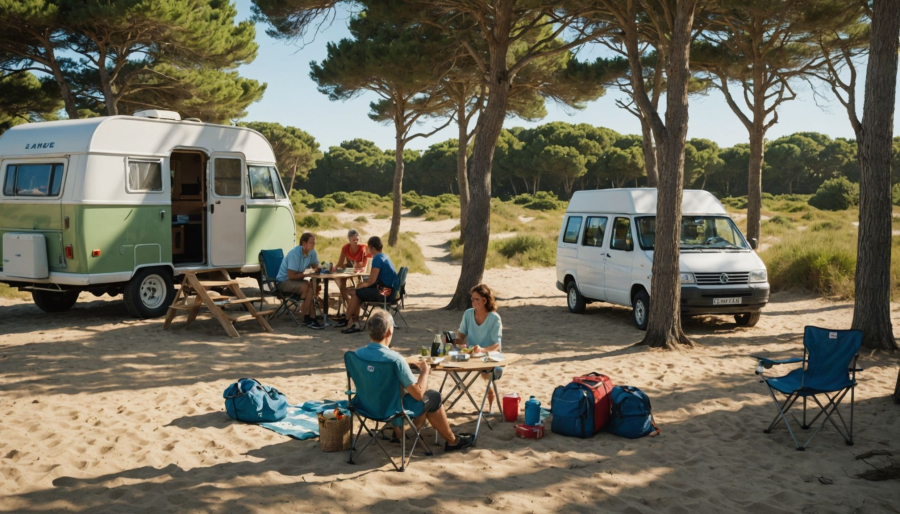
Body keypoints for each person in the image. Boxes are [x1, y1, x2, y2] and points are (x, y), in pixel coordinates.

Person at [354, 309, 474, 451]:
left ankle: (400, 431)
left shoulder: (357, 354)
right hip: (390, 410)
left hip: (365, 406)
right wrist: (425, 371)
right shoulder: (395, 359)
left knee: (400, 388)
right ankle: (452, 441)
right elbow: (418, 394)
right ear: (388, 332)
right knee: (433, 396)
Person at [453, 284, 503, 407]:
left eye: (477, 299)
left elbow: (497, 345)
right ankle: (460, 386)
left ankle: (489, 398)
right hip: (470, 355)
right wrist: (452, 341)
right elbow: (461, 335)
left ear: (485, 300)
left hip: (489, 357)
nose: (473, 302)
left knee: (488, 375)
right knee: (448, 359)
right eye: (472, 299)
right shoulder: (468, 314)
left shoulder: (494, 318)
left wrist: (482, 350)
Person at [337, 236, 397, 334]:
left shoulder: (377, 258)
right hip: (389, 290)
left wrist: (359, 287)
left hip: (385, 293)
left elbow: (371, 281)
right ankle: (353, 321)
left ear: (372, 248)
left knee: (356, 293)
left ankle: (348, 320)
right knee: (356, 292)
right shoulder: (384, 256)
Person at [276, 231, 324, 329]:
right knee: (308, 286)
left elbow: (315, 265)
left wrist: (320, 268)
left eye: (314, 242)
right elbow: (291, 276)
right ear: (304, 244)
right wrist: (307, 274)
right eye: (311, 243)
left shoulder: (311, 252)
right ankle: (309, 317)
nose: (313, 245)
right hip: (283, 281)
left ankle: (309, 317)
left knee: (311, 287)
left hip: (296, 281)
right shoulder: (295, 254)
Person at [335, 228, 370, 307]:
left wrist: (354, 265)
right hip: (350, 270)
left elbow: (364, 264)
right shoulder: (345, 248)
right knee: (342, 282)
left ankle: (353, 304)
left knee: (356, 286)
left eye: (357, 239)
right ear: (349, 239)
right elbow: (340, 263)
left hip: (361, 272)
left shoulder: (363, 247)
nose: (356, 241)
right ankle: (348, 303)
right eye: (354, 240)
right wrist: (333, 268)